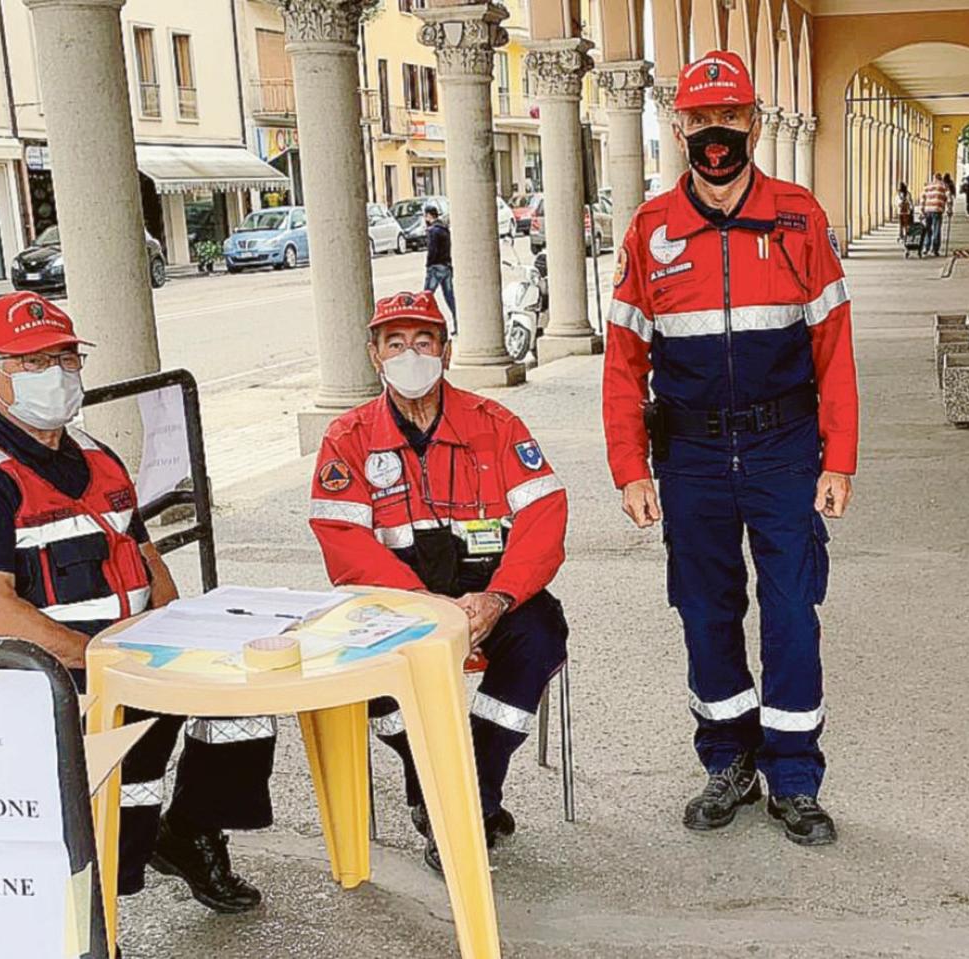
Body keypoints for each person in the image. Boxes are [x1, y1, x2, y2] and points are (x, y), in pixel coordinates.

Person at [0, 291, 273, 915]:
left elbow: (146, 560)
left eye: (66, 358)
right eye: (34, 363)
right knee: (130, 753)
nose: (57, 376)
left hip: (123, 660)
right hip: (42, 681)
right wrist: (111, 660)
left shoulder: (96, 456)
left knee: (247, 703)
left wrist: (183, 635)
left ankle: (189, 831)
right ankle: (101, 895)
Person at [603, 50, 858, 847]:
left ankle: (793, 775)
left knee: (790, 611)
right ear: (679, 126)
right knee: (706, 610)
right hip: (693, 460)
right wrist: (629, 468)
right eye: (700, 119)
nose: (716, 134)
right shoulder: (650, 231)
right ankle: (728, 760)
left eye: (731, 118)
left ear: (752, 122)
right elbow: (622, 360)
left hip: (784, 449)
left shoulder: (798, 217)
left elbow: (834, 345)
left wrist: (840, 454)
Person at [309, 291, 568, 873]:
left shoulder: (496, 425)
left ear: (446, 352)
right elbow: (342, 542)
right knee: (369, 667)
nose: (410, 355)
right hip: (399, 602)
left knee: (540, 638)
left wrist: (498, 599)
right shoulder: (346, 439)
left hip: (493, 593)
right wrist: (430, 610)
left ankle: (468, 792)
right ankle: (443, 790)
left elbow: (545, 516)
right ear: (375, 355)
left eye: (424, 342)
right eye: (395, 343)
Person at [423, 205, 456, 331]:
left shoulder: (432, 231)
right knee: (450, 298)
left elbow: (432, 251)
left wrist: (429, 265)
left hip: (435, 267)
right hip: (446, 266)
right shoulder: (444, 229)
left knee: (426, 296)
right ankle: (457, 323)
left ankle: (426, 325)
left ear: (429, 215)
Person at [920, 174, 949, 256]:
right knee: (936, 229)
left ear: (934, 178)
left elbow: (923, 198)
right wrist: (949, 209)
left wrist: (922, 210)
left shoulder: (928, 186)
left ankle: (926, 247)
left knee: (928, 229)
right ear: (941, 178)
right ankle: (935, 249)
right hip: (937, 210)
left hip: (928, 210)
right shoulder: (943, 186)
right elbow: (949, 198)